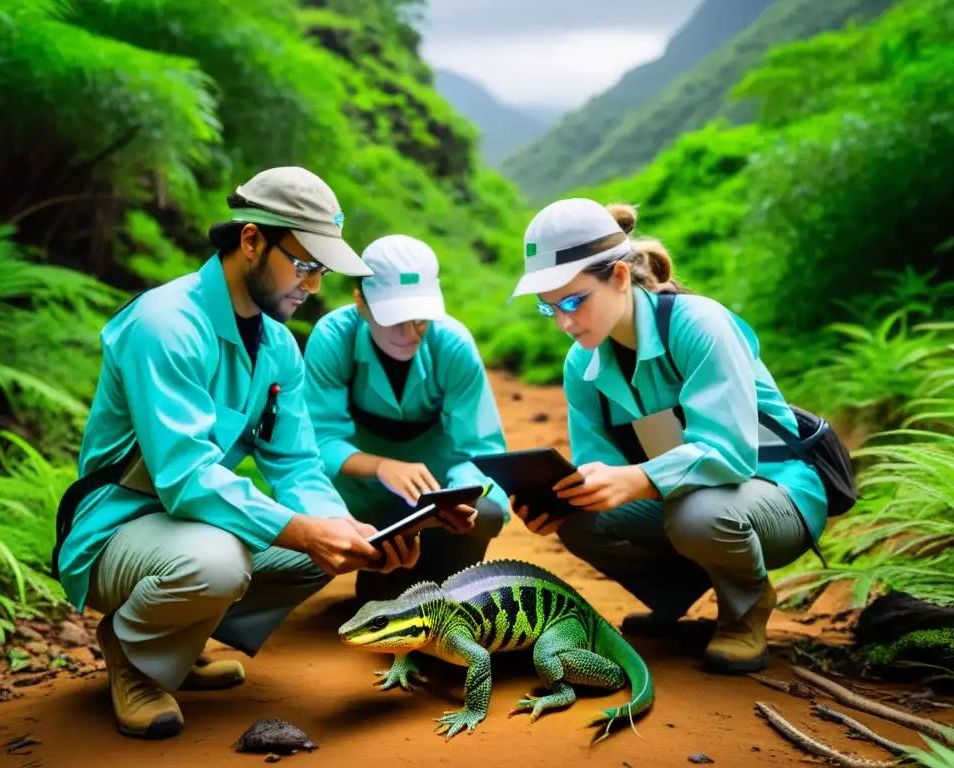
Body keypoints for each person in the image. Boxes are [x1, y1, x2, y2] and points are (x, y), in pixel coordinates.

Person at [50, 168, 469, 741]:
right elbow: (186, 477)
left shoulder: (276, 345)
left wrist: (348, 531)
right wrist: (304, 529)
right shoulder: (166, 325)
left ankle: (179, 641)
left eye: (321, 270)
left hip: (188, 524)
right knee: (222, 559)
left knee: (325, 548)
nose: (313, 286)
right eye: (303, 265)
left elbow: (296, 464)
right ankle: (134, 656)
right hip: (118, 526)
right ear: (251, 240)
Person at [505, 198, 828, 674]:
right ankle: (680, 598)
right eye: (548, 307)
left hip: (776, 491)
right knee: (583, 517)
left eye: (574, 301)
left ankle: (745, 612)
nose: (564, 322)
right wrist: (566, 498)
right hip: (685, 497)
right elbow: (603, 470)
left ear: (618, 277)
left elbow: (733, 456)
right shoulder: (582, 364)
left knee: (698, 512)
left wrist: (635, 480)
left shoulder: (699, 324)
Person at [303, 233, 510, 601]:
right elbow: (315, 441)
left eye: (421, 318)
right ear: (361, 304)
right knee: (308, 520)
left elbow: (480, 450)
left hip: (432, 500)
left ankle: (448, 595)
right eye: (394, 318)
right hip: (357, 498)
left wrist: (457, 493)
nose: (409, 333)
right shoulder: (334, 338)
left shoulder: (453, 345)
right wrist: (382, 466)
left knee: (488, 510)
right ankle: (380, 576)